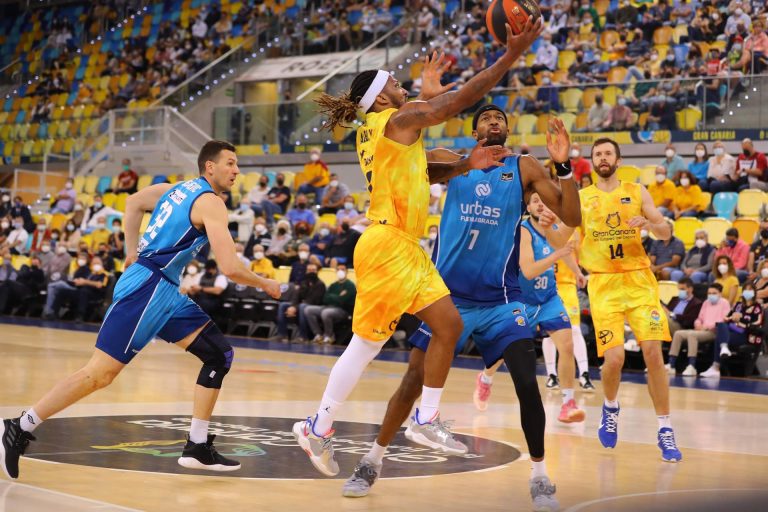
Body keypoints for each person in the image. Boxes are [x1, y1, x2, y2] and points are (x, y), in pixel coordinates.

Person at [300, 20, 544, 479]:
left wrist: (466, 164)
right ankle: (318, 425)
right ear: (383, 97)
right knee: (365, 346)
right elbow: (457, 102)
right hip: (387, 245)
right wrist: (510, 57)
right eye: (394, 83)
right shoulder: (396, 120)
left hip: (405, 247)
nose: (401, 83)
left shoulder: (388, 128)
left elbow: (424, 174)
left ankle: (425, 417)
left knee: (448, 325)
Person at [341, 106, 580, 512]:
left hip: (502, 299)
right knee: (412, 380)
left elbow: (571, 217)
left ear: (507, 129)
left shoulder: (524, 167)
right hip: (446, 296)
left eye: (501, 118)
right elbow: (408, 166)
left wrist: (564, 166)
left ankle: (540, 475)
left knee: (526, 381)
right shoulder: (453, 161)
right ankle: (371, 460)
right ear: (473, 132)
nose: (494, 121)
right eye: (486, 118)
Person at [0, 140, 281, 480]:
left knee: (218, 354)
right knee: (99, 374)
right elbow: (230, 267)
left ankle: (196, 446)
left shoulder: (174, 190)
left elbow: (133, 203)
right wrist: (265, 283)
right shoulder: (212, 203)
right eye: (231, 163)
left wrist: (132, 251)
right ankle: (19, 426)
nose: (237, 171)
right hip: (149, 288)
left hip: (160, 288)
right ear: (210, 166)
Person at [578, 137, 682, 462]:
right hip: (604, 284)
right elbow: (563, 235)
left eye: (608, 152)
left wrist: (650, 224)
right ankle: (610, 406)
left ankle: (665, 428)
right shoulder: (582, 199)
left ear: (618, 160)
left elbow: (666, 232)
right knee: (614, 360)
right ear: (593, 161)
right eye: (598, 154)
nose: (603, 157)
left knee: (653, 353)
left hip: (639, 281)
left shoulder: (638, 191)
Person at [700, 283, 764, 378]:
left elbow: (757, 324)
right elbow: (726, 318)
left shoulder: (757, 307)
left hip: (745, 334)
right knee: (721, 325)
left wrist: (741, 319)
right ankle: (724, 348)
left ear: (754, 292)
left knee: (719, 338)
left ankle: (715, 367)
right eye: (745, 290)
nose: (747, 292)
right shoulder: (738, 305)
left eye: (750, 290)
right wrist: (733, 318)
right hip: (732, 331)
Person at [666, 283, 730, 376]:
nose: (711, 295)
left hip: (713, 331)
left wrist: (707, 327)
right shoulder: (706, 303)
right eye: (709, 293)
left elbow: (724, 320)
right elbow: (699, 318)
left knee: (692, 335)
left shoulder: (725, 303)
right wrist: (698, 324)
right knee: (678, 333)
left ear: (720, 294)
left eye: (714, 293)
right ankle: (671, 365)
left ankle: (691, 366)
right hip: (701, 329)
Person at [305, 264, 357, 344]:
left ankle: (329, 336)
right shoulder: (333, 285)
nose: (340, 271)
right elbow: (325, 298)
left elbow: (344, 301)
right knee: (308, 310)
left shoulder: (350, 286)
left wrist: (333, 297)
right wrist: (338, 296)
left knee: (326, 313)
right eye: (338, 269)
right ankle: (318, 335)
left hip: (343, 310)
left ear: (347, 272)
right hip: (328, 306)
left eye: (342, 269)